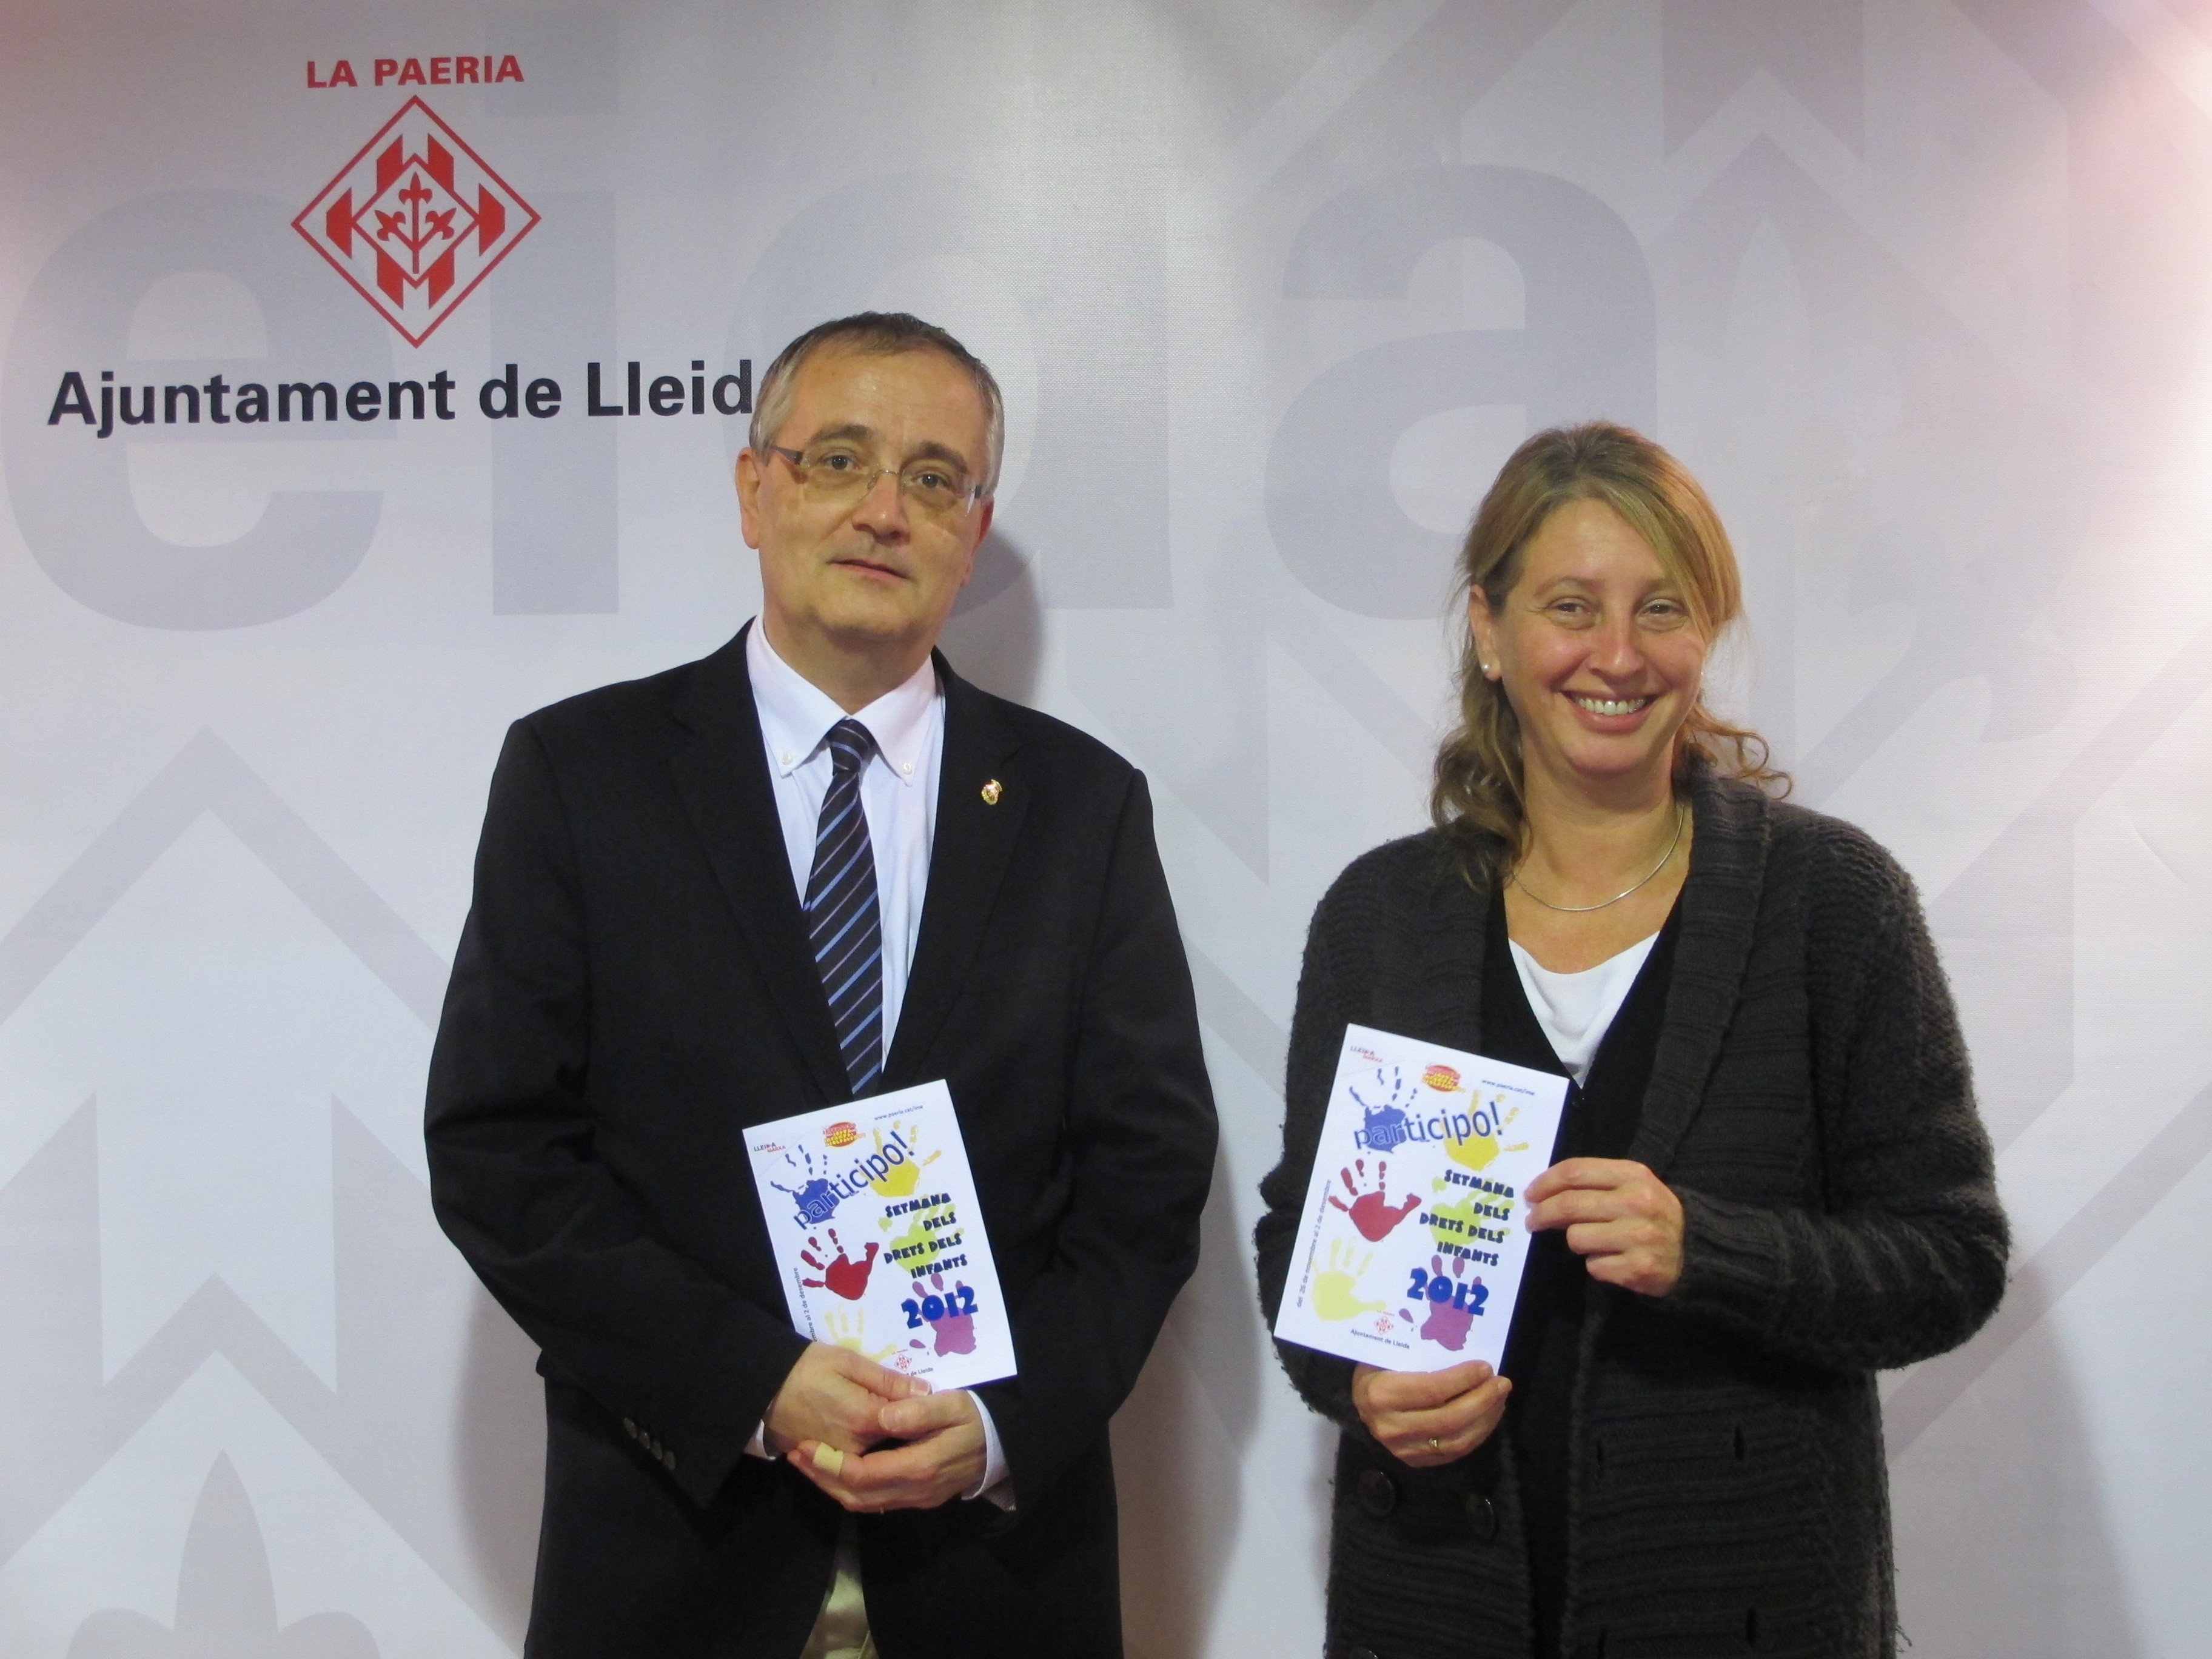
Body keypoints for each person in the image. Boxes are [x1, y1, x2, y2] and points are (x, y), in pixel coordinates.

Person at [426, 312, 1216, 1659]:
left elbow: (1145, 1178)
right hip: (675, 1559)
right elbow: (501, 1150)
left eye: (933, 478)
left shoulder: (1083, 808)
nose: (883, 510)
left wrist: (1001, 1420)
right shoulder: (583, 776)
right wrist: (755, 1384)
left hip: (994, 1573)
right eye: (837, 458)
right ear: (755, 490)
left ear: (974, 529)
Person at [1255, 422, 2007, 1659]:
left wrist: (1711, 1248)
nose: (1617, 654)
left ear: (1705, 635)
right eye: (1571, 606)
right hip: (1434, 1599)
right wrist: (1358, 1384)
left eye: (1662, 608)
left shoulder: (1832, 905)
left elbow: (1951, 1259)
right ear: (1489, 629)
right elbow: (1302, 1239)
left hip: (1746, 1606)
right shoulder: (1379, 918)